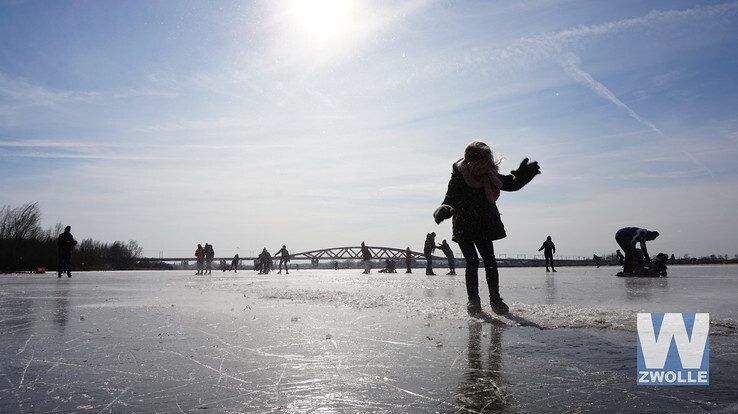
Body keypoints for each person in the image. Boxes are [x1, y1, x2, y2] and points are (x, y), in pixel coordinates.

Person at [434, 140, 540, 315]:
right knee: (472, 261)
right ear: (469, 162)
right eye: (480, 165)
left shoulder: (490, 174)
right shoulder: (459, 176)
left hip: (484, 222)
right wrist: (444, 208)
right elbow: (450, 197)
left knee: (490, 260)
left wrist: (521, 178)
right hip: (464, 224)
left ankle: (495, 299)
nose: (484, 169)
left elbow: (510, 184)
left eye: (487, 164)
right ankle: (473, 300)